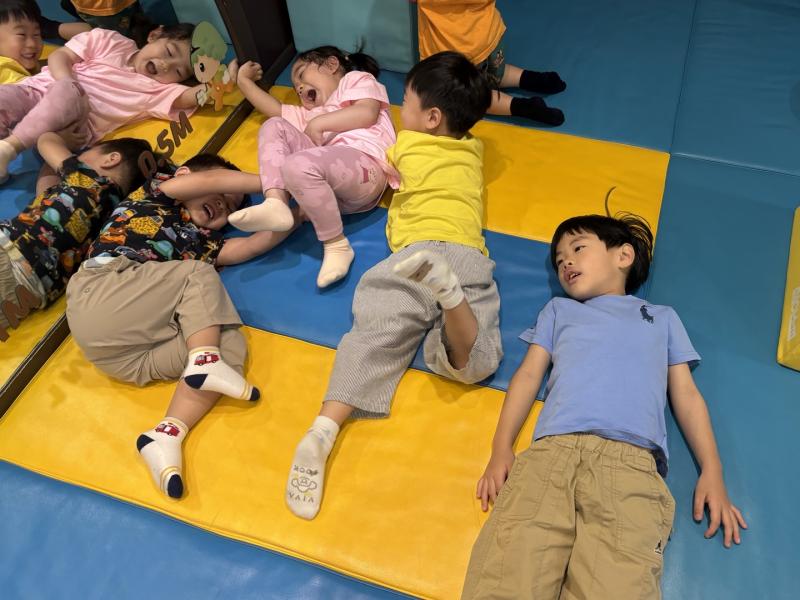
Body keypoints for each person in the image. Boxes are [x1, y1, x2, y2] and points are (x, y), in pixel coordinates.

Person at [461, 213, 747, 599]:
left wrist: (712, 470)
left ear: (623, 256)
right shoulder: (558, 311)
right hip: (552, 455)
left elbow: (687, 395)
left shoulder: (661, 319)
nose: (566, 262)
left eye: (578, 248)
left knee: (617, 582)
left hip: (630, 466)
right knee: (509, 569)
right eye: (559, 260)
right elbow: (528, 376)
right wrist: (501, 448)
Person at [284, 51, 503, 519]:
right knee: (476, 360)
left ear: (431, 118)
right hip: (467, 255)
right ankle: (451, 296)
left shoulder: (403, 145)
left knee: (373, 336)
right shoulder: (474, 150)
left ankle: (323, 429)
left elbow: (359, 165)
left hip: (412, 257)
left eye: (406, 101)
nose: (400, 109)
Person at [65, 153, 300, 499]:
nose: (222, 205)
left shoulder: (206, 243)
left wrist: (300, 213)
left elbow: (251, 246)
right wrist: (278, 184)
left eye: (230, 208)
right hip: (102, 289)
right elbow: (210, 180)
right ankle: (205, 359)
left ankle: (166, 435)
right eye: (222, 195)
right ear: (185, 175)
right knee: (197, 276)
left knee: (229, 341)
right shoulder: (157, 195)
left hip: (124, 356)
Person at [228, 45, 399, 288]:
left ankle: (336, 244)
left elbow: (367, 112)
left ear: (331, 65)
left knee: (298, 164)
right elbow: (274, 109)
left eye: (301, 75)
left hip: (366, 168)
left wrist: (319, 124)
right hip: (325, 195)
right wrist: (243, 82)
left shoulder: (354, 80)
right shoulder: (311, 113)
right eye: (295, 87)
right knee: (273, 125)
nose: (298, 87)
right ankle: (276, 203)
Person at [0, 22, 207, 183]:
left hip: (72, 128)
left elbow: (192, 96)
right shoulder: (111, 40)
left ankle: (42, 200)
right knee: (6, 97)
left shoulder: (158, 90)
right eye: (169, 52)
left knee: (52, 169)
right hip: (36, 91)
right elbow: (60, 56)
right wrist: (68, 82)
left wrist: (218, 83)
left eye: (178, 71)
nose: (166, 65)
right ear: (154, 35)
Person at [0, 131, 150, 333]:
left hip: (10, 254)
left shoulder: (89, 178)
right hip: (29, 294)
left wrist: (69, 140)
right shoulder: (113, 219)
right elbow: (45, 191)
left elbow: (46, 140)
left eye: (85, 154)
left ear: (111, 159)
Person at [417, 0, 566, 125]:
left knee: (468, 98)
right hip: (490, 36)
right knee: (496, 73)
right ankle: (536, 79)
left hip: (458, 51)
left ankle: (525, 107)